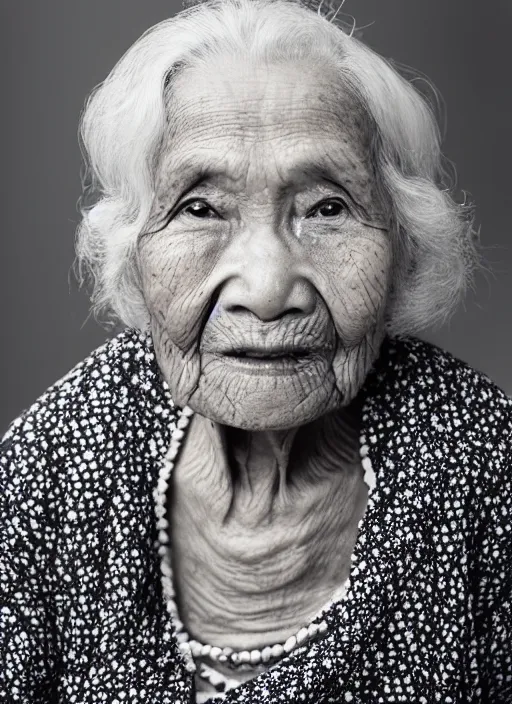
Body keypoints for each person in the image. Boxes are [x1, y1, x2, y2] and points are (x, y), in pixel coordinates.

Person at [1, 0, 511, 701]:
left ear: (404, 244)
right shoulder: (52, 468)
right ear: (132, 252)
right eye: (201, 208)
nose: (268, 289)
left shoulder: (488, 474)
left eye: (327, 207)